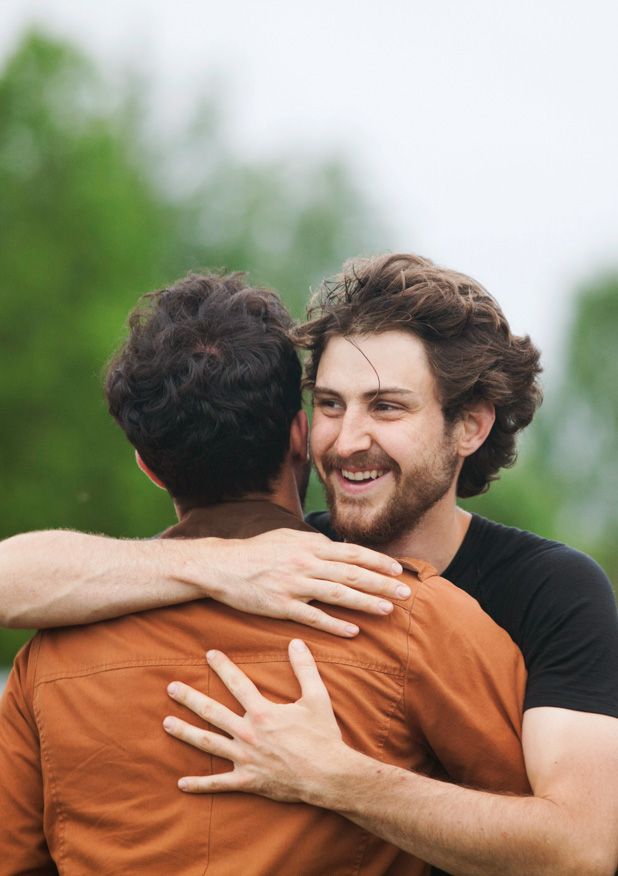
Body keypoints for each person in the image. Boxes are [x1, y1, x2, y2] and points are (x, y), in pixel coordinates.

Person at [1, 254, 617, 873]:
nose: (347, 440)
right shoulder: (383, 611)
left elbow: (579, 846)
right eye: (329, 403)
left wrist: (336, 777)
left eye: (386, 407)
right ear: (298, 431)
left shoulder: (551, 593)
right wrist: (219, 565)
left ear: (471, 426)